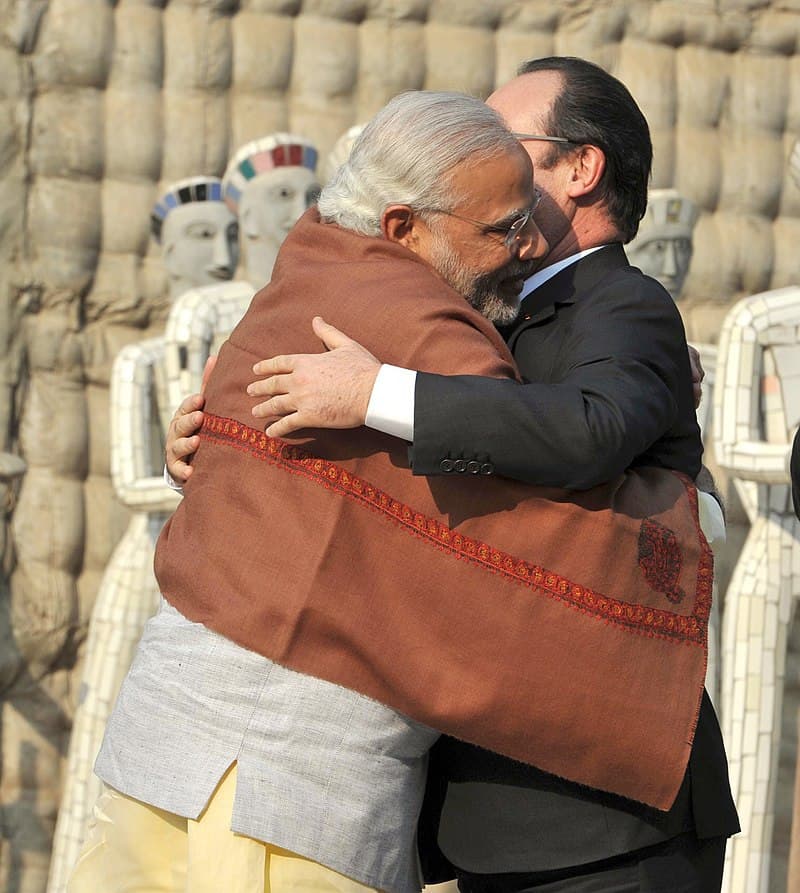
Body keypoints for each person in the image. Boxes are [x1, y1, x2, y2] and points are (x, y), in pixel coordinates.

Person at [170, 58, 739, 891]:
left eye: (507, 142)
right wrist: (215, 436)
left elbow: (591, 431)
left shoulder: (624, 306)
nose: (480, 159)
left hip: (605, 815)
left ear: (581, 171)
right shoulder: (473, 308)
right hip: (487, 802)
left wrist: (377, 390)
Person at [68, 90, 552, 893]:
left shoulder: (301, 273)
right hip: (289, 775)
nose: (527, 245)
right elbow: (534, 506)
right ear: (404, 228)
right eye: (503, 228)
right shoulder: (439, 333)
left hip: (165, 731)